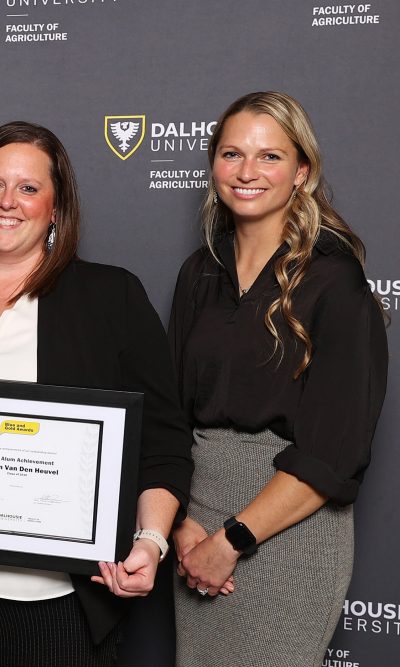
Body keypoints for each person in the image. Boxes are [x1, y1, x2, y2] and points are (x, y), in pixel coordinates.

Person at [0, 121, 194, 666]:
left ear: (56, 207)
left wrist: (151, 541)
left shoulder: (110, 298)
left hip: (57, 601)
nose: (8, 202)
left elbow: (161, 443)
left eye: (28, 188)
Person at [169, 92, 386, 666]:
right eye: (232, 154)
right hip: (197, 517)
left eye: (269, 157)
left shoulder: (335, 282)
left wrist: (233, 540)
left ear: (302, 172)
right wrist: (182, 525)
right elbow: (170, 411)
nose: (246, 172)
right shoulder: (199, 275)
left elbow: (333, 452)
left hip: (287, 528)